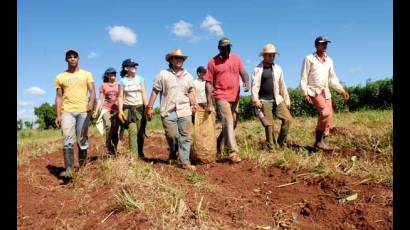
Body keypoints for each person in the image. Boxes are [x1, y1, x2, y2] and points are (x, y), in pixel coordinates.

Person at [145, 49, 198, 170]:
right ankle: (174, 154)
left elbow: (190, 91)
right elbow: (155, 91)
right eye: (175, 58)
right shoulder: (162, 74)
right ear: (170, 60)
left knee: (186, 136)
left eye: (180, 58)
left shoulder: (188, 76)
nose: (178, 60)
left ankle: (185, 162)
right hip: (168, 110)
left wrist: (194, 103)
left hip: (185, 110)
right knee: (172, 136)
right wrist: (150, 107)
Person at [300, 35, 349, 150]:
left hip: (326, 92)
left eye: (326, 43)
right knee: (325, 113)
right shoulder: (309, 59)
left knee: (329, 116)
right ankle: (318, 141)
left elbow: (332, 79)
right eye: (322, 43)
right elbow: (303, 77)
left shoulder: (329, 60)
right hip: (314, 91)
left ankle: (325, 142)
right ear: (316, 45)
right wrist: (304, 93)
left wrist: (341, 90)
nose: (325, 45)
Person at [204, 37, 250, 163]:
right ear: (219, 48)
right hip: (221, 96)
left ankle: (219, 144)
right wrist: (209, 103)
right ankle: (233, 152)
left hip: (235, 97)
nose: (227, 49)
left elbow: (244, 73)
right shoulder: (212, 62)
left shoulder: (236, 58)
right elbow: (208, 83)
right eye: (224, 48)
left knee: (233, 122)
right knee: (228, 121)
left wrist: (246, 81)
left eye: (228, 47)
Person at [54, 49, 95, 178]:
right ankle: (69, 170)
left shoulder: (86, 74)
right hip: (67, 111)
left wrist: (91, 103)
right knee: (67, 139)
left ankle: (82, 170)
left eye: (74, 57)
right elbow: (59, 97)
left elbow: (92, 92)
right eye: (69, 57)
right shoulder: (60, 77)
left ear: (78, 59)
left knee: (82, 139)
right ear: (66, 59)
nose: (72, 59)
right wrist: (58, 114)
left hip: (83, 110)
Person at [251, 43, 292, 149]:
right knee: (269, 125)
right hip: (264, 101)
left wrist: (287, 100)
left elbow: (282, 85)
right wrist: (256, 100)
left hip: (277, 99)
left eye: (273, 55)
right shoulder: (257, 69)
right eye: (269, 55)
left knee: (288, 120)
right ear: (264, 56)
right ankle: (271, 147)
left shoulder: (278, 69)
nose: (272, 57)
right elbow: (255, 86)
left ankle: (280, 143)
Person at [117, 58, 148, 158]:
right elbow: (121, 97)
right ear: (126, 68)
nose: (135, 67)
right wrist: (120, 111)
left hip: (140, 108)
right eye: (132, 65)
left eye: (135, 65)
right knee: (132, 130)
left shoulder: (140, 79)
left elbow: (144, 93)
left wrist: (148, 107)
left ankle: (140, 151)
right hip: (128, 109)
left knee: (140, 132)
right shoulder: (122, 81)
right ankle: (133, 156)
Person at [92, 67, 120, 155]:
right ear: (107, 75)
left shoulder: (119, 85)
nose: (113, 75)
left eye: (114, 74)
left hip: (116, 110)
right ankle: (108, 144)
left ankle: (114, 150)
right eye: (111, 74)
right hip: (106, 109)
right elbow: (100, 99)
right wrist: (96, 111)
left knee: (115, 130)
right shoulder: (103, 85)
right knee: (108, 125)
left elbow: (122, 98)